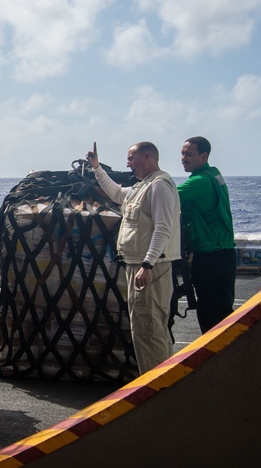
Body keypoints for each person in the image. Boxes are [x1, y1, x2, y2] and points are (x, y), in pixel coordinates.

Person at [86, 141, 181, 375]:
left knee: (149, 329)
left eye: (131, 158)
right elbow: (117, 193)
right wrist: (97, 168)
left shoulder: (159, 187)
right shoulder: (142, 187)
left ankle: (157, 387)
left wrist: (148, 263)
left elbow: (163, 228)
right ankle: (159, 381)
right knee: (144, 328)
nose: (127, 163)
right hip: (138, 266)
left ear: (147, 157)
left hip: (151, 268)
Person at [177, 136, 236, 333]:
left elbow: (164, 195)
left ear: (204, 156)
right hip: (222, 255)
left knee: (212, 316)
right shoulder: (213, 175)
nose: (184, 158)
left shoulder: (201, 182)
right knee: (220, 311)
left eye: (189, 154)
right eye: (183, 153)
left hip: (212, 257)